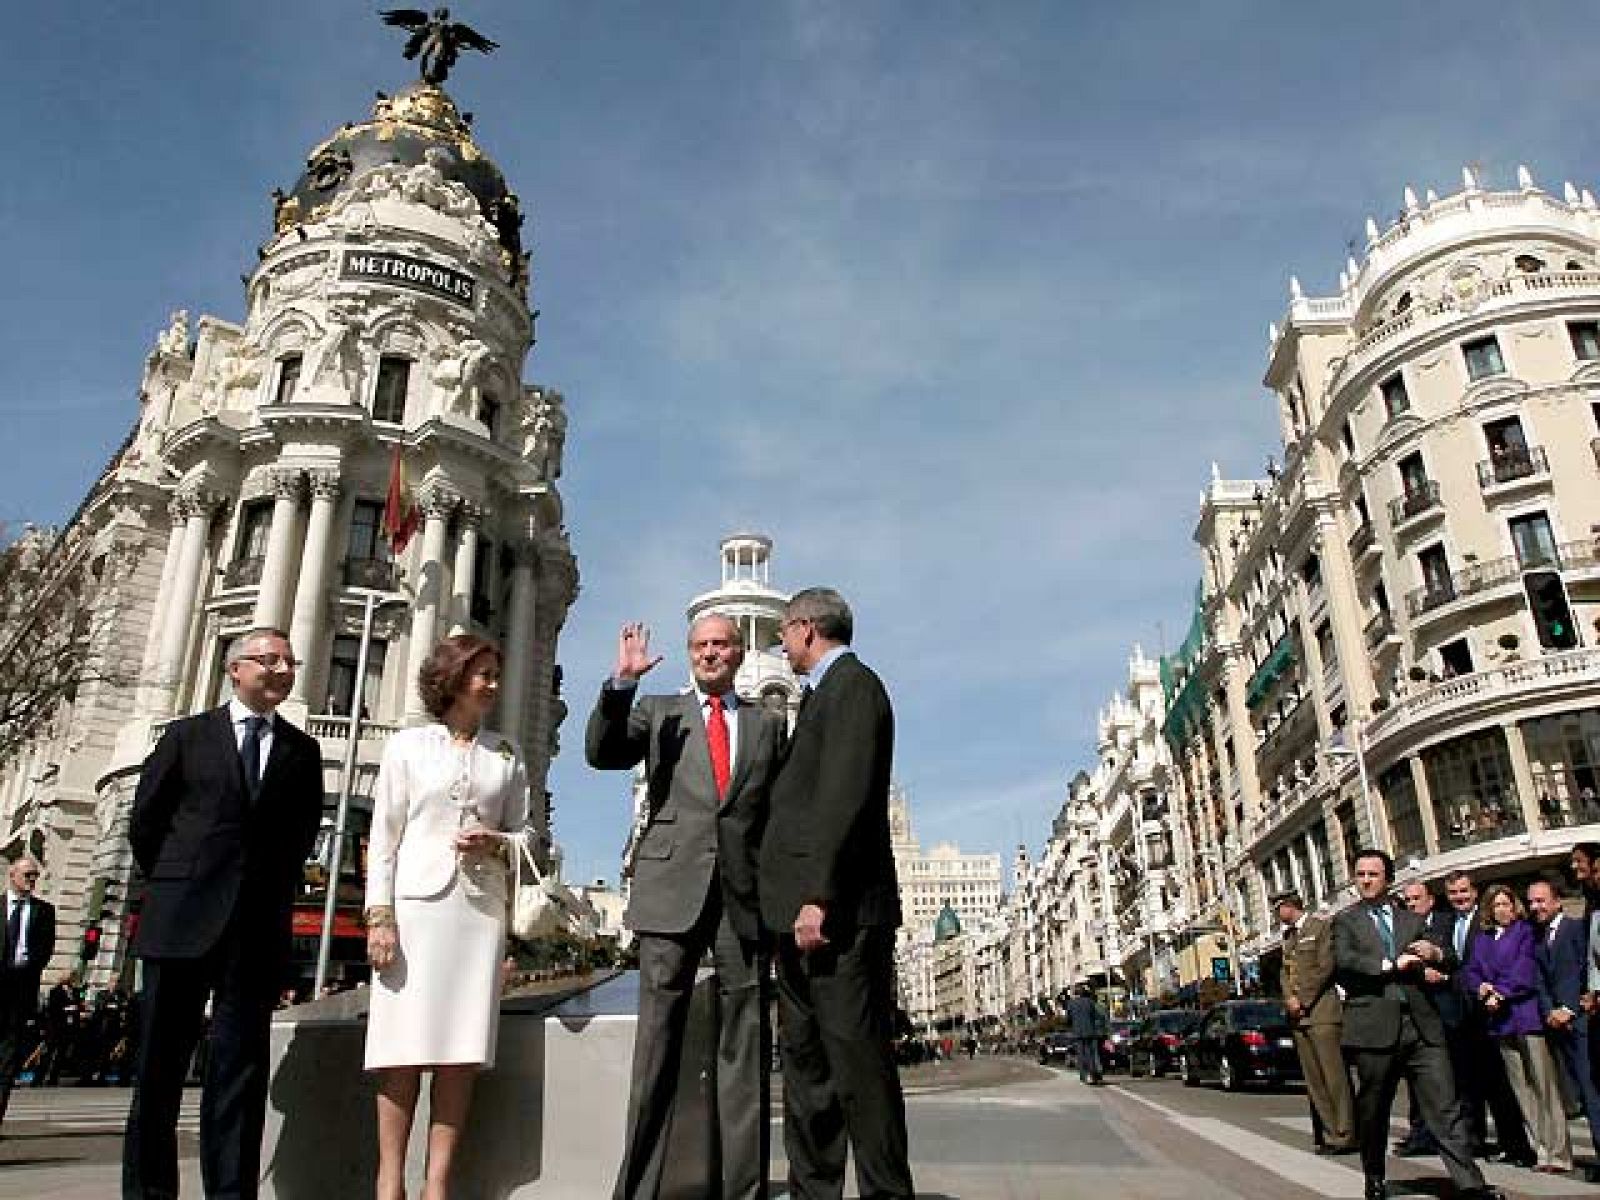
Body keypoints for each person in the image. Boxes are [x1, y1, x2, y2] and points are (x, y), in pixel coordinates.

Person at [584, 615, 787, 1200]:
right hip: (671, 891)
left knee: (744, 1051)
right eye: (700, 645)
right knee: (657, 1048)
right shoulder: (658, 711)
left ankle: (742, 1190)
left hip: (742, 902)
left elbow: (776, 816)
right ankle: (639, 1190)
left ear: (739, 653)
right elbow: (603, 751)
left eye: (720, 644)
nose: (709, 654)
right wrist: (621, 685)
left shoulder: (766, 725)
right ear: (689, 654)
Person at [122, 626, 325, 1200]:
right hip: (179, 923)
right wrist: (182, 882)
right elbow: (147, 825)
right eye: (271, 660)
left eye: (290, 662)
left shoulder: (300, 752)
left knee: (238, 1078)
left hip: (254, 934)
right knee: (158, 1075)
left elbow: (299, 837)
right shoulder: (186, 738)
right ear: (235, 669)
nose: (283, 670)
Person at [760, 587, 915, 1200]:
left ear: (805, 628)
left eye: (783, 634)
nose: (780, 645)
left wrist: (818, 895)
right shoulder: (824, 694)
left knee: (859, 1072)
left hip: (838, 918)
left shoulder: (853, 686)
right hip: (804, 924)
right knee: (809, 1073)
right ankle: (814, 1189)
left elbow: (843, 797)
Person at [364, 634, 531, 1200]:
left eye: (493, 674)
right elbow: (383, 837)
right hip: (414, 911)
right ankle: (390, 1180)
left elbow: (528, 835)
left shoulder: (505, 753)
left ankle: (438, 1184)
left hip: (478, 914)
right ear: (452, 678)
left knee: (461, 1054)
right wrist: (379, 915)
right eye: (481, 673)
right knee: (400, 1050)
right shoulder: (408, 747)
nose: (490, 684)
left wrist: (498, 840)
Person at [1332, 848, 1503, 1200]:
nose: (1365, 880)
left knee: (1445, 1108)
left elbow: (1451, 957)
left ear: (1387, 879)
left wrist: (1434, 953)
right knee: (1374, 1108)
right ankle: (1375, 1177)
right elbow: (1343, 960)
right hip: (1374, 1029)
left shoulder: (1411, 920)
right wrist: (1390, 964)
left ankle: (1470, 1184)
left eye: (1373, 874)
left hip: (1422, 1028)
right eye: (1360, 874)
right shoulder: (1345, 921)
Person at [1461, 883, 1568, 1174]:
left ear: (1515, 906)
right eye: (1496, 906)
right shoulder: (1483, 939)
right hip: (1499, 1022)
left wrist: (1501, 992)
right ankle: (1541, 1150)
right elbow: (1471, 970)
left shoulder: (1525, 932)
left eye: (1506, 904)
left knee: (1544, 1086)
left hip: (1525, 1015)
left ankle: (1559, 1152)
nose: (1502, 910)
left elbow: (1524, 969)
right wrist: (1481, 988)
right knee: (1522, 1089)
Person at [1439, 870, 1535, 1165]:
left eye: (1464, 891)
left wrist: (1491, 992)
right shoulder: (1444, 924)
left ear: (1474, 892)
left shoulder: (1485, 926)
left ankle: (1517, 1145)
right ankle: (1475, 1140)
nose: (1459, 897)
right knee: (1467, 1084)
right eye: (1454, 893)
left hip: (1489, 1011)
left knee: (1500, 1085)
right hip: (1458, 1012)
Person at [1528, 877, 1600, 1182]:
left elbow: (1587, 969)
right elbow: (1540, 981)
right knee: (1580, 1096)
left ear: (1557, 901)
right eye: (1531, 902)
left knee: (1593, 1091)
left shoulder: (1575, 929)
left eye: (1541, 901)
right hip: (1558, 1025)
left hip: (1582, 1021)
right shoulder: (1539, 937)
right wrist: (1550, 1011)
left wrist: (1570, 1009)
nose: (1535, 907)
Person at [1274, 890, 1355, 1154]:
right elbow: (1285, 973)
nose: (1276, 915)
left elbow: (1325, 968)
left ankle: (1346, 1133)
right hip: (1298, 1018)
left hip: (1321, 1013)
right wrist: (1289, 998)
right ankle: (1330, 1133)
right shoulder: (1288, 937)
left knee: (1334, 1078)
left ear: (1290, 906)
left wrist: (1302, 999)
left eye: (1278, 909)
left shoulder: (1319, 928)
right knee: (1314, 1080)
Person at [1, 854, 55, 1127]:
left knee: (7, 1061)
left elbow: (45, 952)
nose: (32, 881)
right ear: (12, 875)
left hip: (20, 992)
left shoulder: (44, 911)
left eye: (35, 876)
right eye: (27, 875)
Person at [1064, 984, 1107, 1085]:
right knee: (1090, 1053)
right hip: (1090, 1032)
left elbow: (1068, 1019)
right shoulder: (1090, 1002)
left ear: (1076, 994)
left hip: (1078, 1033)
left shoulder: (1071, 1004)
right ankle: (1092, 1074)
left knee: (1081, 1054)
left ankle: (1083, 1076)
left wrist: (1071, 1025)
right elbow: (1097, 1016)